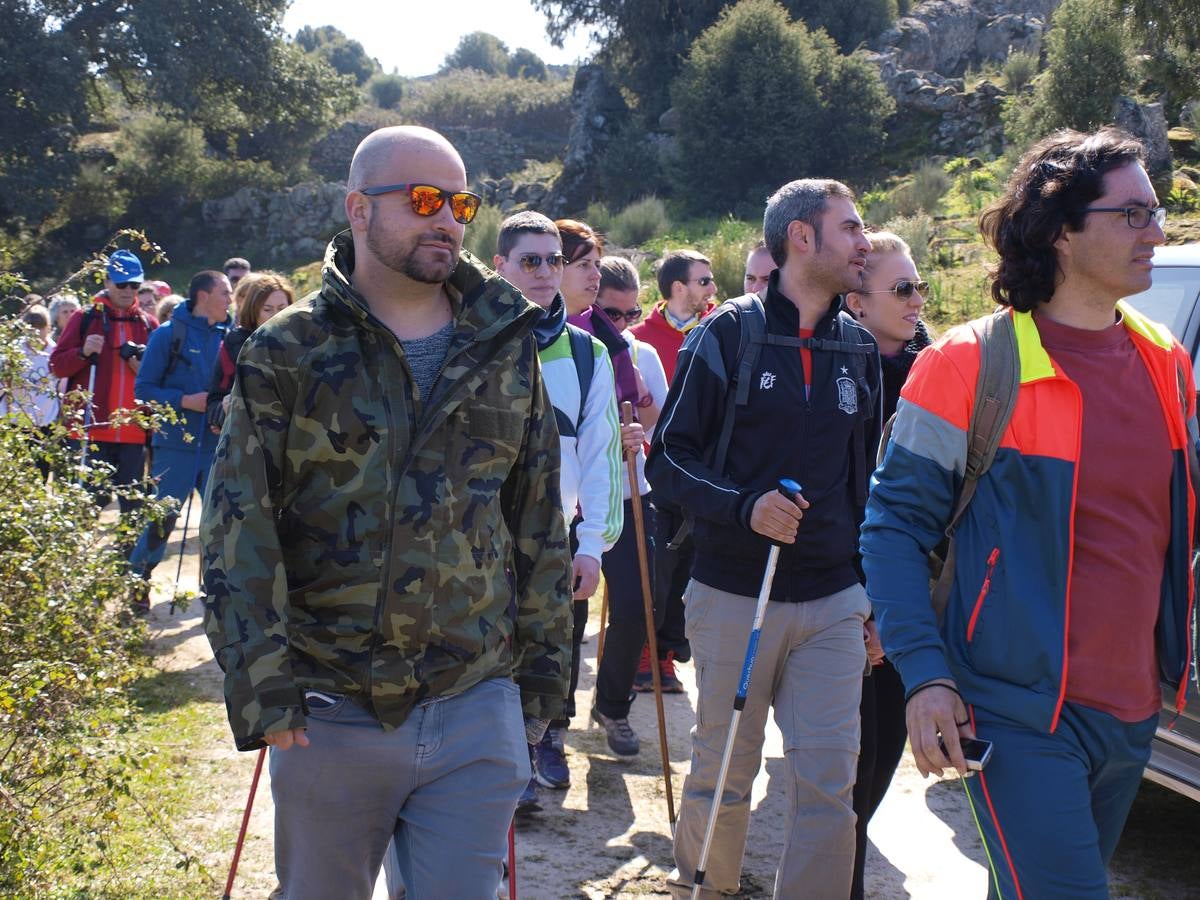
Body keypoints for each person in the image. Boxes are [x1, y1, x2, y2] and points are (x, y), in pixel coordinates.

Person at [201, 125, 572, 900]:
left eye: (460, 205)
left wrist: (539, 687)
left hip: (476, 700)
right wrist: (265, 687)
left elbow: (536, 518)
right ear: (359, 209)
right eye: (424, 199)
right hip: (332, 706)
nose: (447, 220)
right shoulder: (288, 351)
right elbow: (240, 527)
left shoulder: (505, 343)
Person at [861, 128, 1197, 900]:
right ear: (1061, 231)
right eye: (1134, 214)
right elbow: (893, 527)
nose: (1156, 231)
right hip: (1011, 709)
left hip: (1133, 709)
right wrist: (926, 675)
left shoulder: (1167, 363)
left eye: (1156, 212)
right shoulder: (966, 365)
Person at [648, 178, 880, 899]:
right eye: (851, 228)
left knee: (830, 783)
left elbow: (866, 484)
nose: (864, 242)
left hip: (834, 602)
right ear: (801, 238)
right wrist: (745, 507)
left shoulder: (859, 349)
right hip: (733, 594)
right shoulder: (727, 334)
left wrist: (873, 595)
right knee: (724, 772)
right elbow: (667, 461)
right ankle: (706, 889)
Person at [491, 211, 625, 807]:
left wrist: (592, 544)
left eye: (554, 260)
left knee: (553, 646)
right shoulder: (470, 341)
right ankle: (497, 765)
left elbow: (599, 456)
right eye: (530, 261)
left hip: (558, 536)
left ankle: (542, 741)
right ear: (500, 266)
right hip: (475, 536)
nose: (545, 272)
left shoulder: (588, 353)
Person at [841, 230, 931, 900]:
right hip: (840, 605)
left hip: (911, 606)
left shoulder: (942, 374)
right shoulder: (832, 377)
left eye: (919, 285)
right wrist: (861, 608)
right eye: (902, 288)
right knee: (848, 774)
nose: (918, 299)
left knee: (876, 770)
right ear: (856, 301)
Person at [588, 255, 671, 753]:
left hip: (632, 495)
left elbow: (660, 417)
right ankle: (550, 725)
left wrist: (638, 406)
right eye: (611, 313)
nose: (621, 324)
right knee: (566, 613)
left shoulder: (642, 353)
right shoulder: (573, 346)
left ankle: (612, 707)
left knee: (640, 607)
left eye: (631, 313)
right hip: (578, 503)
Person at [629, 248, 718, 694]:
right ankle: (643, 653)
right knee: (657, 569)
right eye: (704, 281)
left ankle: (667, 654)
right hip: (655, 474)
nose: (713, 289)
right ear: (678, 287)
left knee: (690, 568)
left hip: (704, 471)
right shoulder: (638, 339)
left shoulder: (722, 329)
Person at [128, 270, 231, 610]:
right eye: (225, 293)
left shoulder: (230, 337)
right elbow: (143, 389)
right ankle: (139, 581)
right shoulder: (167, 335)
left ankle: (215, 589)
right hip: (175, 447)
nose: (230, 300)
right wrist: (185, 401)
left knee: (221, 521)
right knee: (163, 519)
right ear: (204, 296)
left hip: (217, 446)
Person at [50, 250, 157, 518]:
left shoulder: (148, 323)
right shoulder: (84, 318)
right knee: (86, 509)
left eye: (135, 284)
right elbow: (56, 366)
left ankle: (127, 548)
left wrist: (144, 371)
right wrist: (83, 353)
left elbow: (162, 376)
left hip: (133, 433)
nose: (128, 290)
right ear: (107, 281)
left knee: (133, 511)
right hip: (91, 432)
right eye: (122, 284)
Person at [205, 271, 295, 434]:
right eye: (267, 309)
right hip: (250, 440)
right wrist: (225, 409)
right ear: (254, 311)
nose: (277, 316)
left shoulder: (305, 342)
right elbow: (214, 405)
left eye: (282, 308)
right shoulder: (236, 343)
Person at [1, 305, 61, 479]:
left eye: (40, 327)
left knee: (42, 471)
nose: (36, 332)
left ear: (48, 328)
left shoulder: (55, 353)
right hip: (16, 421)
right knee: (15, 472)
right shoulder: (14, 352)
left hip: (46, 420)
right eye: (31, 327)